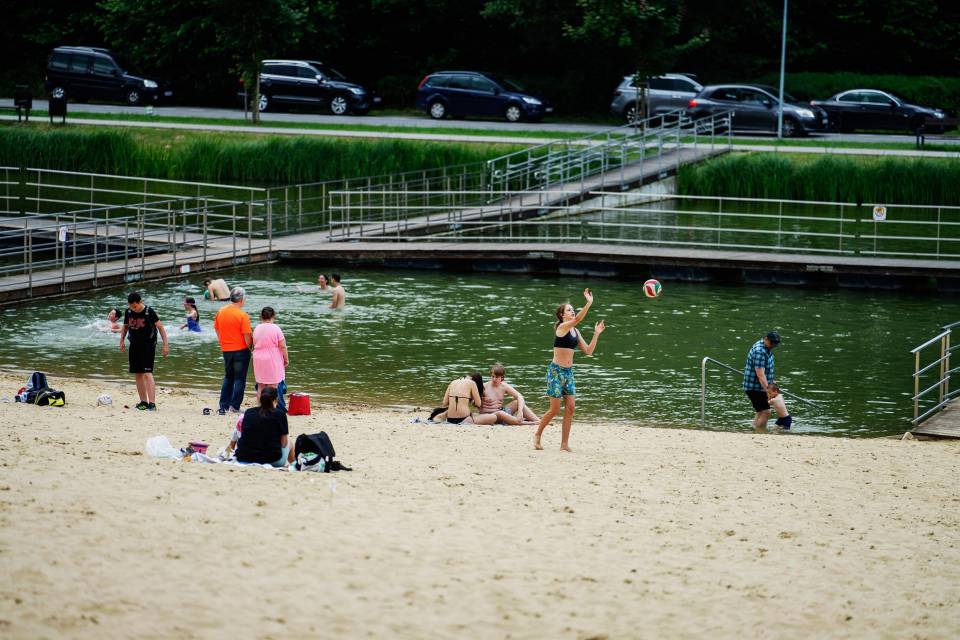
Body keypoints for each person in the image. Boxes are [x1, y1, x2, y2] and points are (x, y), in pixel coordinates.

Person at [534, 288, 605, 452]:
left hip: (568, 373)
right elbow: (579, 318)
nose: (572, 312)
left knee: (571, 407)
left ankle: (564, 444)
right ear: (562, 315)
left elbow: (588, 351)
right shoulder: (562, 328)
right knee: (554, 409)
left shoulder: (575, 331)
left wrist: (596, 333)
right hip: (556, 372)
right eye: (569, 310)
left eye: (573, 309)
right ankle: (537, 434)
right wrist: (589, 303)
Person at [118, 291, 169, 411]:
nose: (133, 308)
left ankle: (152, 404)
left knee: (147, 373)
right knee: (138, 373)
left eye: (135, 306)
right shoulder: (128, 312)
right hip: (134, 345)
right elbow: (125, 326)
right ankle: (143, 402)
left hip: (148, 345)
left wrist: (165, 345)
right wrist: (121, 341)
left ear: (140, 302)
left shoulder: (148, 311)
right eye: (131, 306)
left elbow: (160, 327)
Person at [213, 286, 253, 413]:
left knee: (228, 376)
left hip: (226, 349)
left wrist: (222, 341)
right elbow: (247, 335)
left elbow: (216, 328)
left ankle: (223, 404)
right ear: (241, 299)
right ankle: (234, 406)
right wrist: (250, 347)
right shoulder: (242, 315)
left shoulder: (221, 311)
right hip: (241, 350)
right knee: (240, 379)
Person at [234, 386, 293, 467]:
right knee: (290, 443)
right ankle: (294, 465)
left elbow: (243, 435)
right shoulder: (280, 414)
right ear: (276, 400)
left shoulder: (249, 412)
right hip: (272, 460)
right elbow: (284, 443)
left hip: (244, 457)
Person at [437, 372, 513, 425]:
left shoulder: (453, 382)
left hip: (450, 419)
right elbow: (478, 404)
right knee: (493, 417)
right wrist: (473, 398)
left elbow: (445, 403)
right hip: (463, 419)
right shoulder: (472, 383)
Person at [743, 330, 780, 432]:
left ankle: (755, 430)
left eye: (775, 344)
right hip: (755, 387)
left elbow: (766, 369)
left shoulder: (766, 347)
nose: (773, 345)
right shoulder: (760, 351)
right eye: (772, 343)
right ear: (766, 339)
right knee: (766, 412)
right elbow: (760, 375)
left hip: (760, 386)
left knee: (760, 411)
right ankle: (760, 432)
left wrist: (772, 380)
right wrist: (769, 391)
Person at [252, 306, 289, 403]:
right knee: (273, 386)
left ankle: (261, 407)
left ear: (261, 316)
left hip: (258, 358)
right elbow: (283, 346)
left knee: (260, 386)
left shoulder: (257, 328)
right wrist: (286, 359)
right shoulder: (276, 328)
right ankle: (272, 407)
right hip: (272, 358)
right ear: (273, 316)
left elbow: (254, 343)